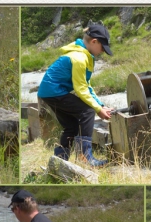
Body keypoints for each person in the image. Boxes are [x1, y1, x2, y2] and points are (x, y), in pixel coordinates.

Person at [37, 24, 114, 166]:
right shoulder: (79, 58)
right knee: (87, 112)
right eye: (102, 47)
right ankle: (85, 157)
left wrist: (101, 105)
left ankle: (60, 160)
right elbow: (81, 89)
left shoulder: (82, 54)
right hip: (54, 92)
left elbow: (87, 86)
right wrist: (97, 109)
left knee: (71, 126)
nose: (103, 51)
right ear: (94, 41)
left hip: (48, 93)